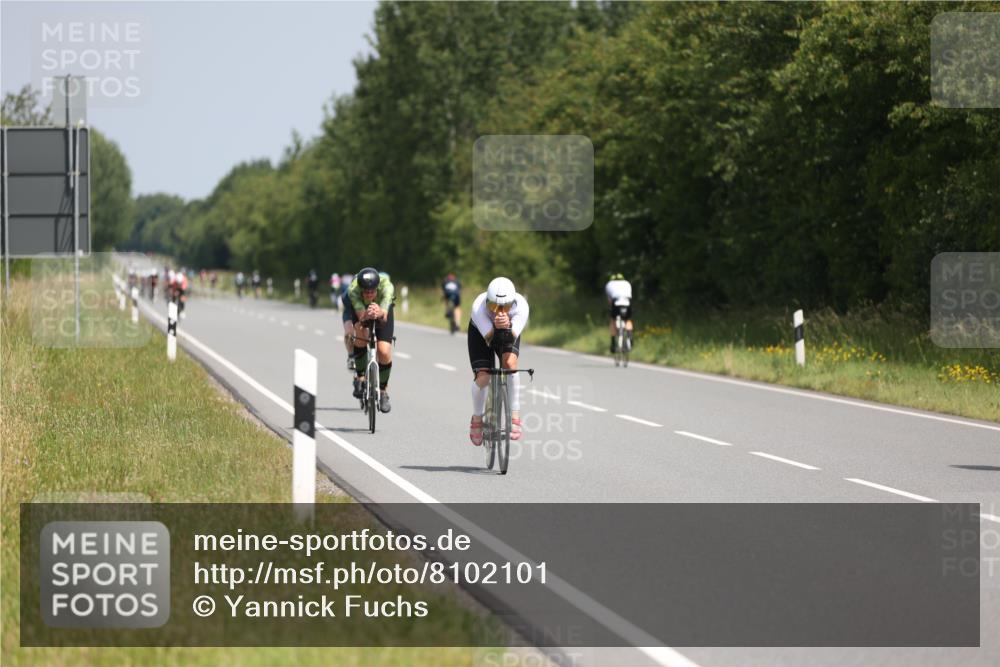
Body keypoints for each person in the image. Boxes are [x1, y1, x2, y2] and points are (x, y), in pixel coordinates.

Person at [467, 277, 529, 446]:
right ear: (487, 301)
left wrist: (507, 326)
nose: (500, 311)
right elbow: (490, 339)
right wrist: (495, 326)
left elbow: (510, 338)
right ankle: (477, 418)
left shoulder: (521, 307)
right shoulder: (479, 307)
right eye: (494, 307)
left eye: (506, 307)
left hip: (508, 331)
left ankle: (514, 415)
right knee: (484, 376)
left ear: (513, 303)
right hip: (480, 333)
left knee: (510, 365)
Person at [342, 267, 395, 413]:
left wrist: (379, 312)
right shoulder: (353, 290)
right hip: (361, 311)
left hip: (382, 311)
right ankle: (360, 377)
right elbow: (361, 317)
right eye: (366, 292)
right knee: (360, 334)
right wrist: (367, 315)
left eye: (372, 291)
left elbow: (384, 315)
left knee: (384, 351)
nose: (369, 294)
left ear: (378, 288)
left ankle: (383, 391)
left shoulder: (387, 287)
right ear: (360, 289)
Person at [604, 272, 633, 353]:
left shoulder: (609, 284)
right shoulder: (627, 283)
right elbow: (629, 296)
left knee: (613, 320)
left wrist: (611, 308)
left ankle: (613, 343)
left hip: (616, 304)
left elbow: (609, 300)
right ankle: (630, 337)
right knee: (627, 320)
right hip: (626, 303)